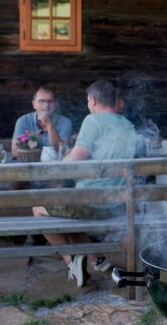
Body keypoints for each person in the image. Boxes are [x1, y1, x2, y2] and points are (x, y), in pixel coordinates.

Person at [32, 79, 137, 287]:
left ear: (93, 100)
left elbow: (77, 157)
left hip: (93, 204)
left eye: (88, 100)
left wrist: (56, 166)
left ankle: (72, 262)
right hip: (120, 204)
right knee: (68, 211)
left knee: (39, 208)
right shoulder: (127, 124)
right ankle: (94, 258)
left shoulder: (93, 120)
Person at [11, 86, 73, 159]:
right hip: (30, 165)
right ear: (34, 104)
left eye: (50, 101)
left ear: (55, 104)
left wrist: (50, 125)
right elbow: (15, 152)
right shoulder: (23, 121)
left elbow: (63, 151)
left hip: (56, 165)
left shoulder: (65, 122)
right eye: (42, 101)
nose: (46, 105)